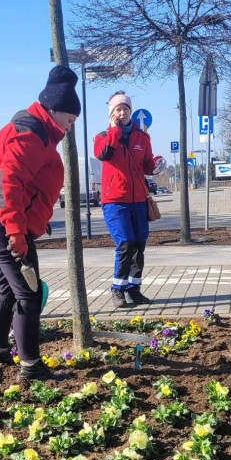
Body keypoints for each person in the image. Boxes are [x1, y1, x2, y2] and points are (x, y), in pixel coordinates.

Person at [0, 65, 80, 381]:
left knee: (7, 290)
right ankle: (31, 367)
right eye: (71, 119)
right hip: (2, 225)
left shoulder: (35, 129)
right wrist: (17, 231)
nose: (71, 126)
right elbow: (9, 183)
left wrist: (35, 219)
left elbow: (25, 183)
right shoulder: (31, 135)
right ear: (54, 110)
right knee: (29, 294)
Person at [94, 91, 164, 309]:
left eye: (125, 109)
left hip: (138, 200)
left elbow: (146, 166)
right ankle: (117, 290)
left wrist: (156, 164)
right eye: (117, 109)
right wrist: (115, 131)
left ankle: (134, 289)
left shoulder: (142, 137)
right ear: (111, 113)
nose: (122, 112)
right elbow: (104, 154)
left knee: (138, 244)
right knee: (124, 243)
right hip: (115, 200)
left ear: (131, 112)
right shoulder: (103, 135)